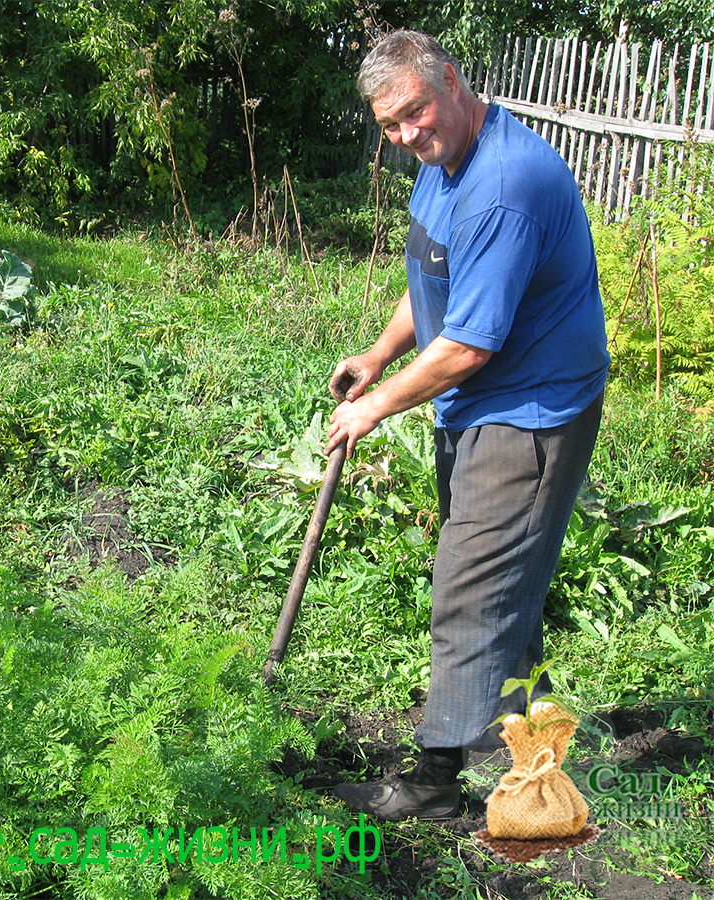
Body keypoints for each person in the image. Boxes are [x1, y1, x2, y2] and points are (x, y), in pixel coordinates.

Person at [327, 30, 609, 820]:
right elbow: (430, 271)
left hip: (529, 413)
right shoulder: (444, 165)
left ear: (450, 80)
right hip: (490, 402)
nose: (408, 134)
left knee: (468, 588)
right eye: (391, 126)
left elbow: (470, 346)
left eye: (416, 111)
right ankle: (539, 738)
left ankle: (435, 782)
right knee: (500, 578)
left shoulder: (503, 185)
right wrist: (379, 356)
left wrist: (374, 408)